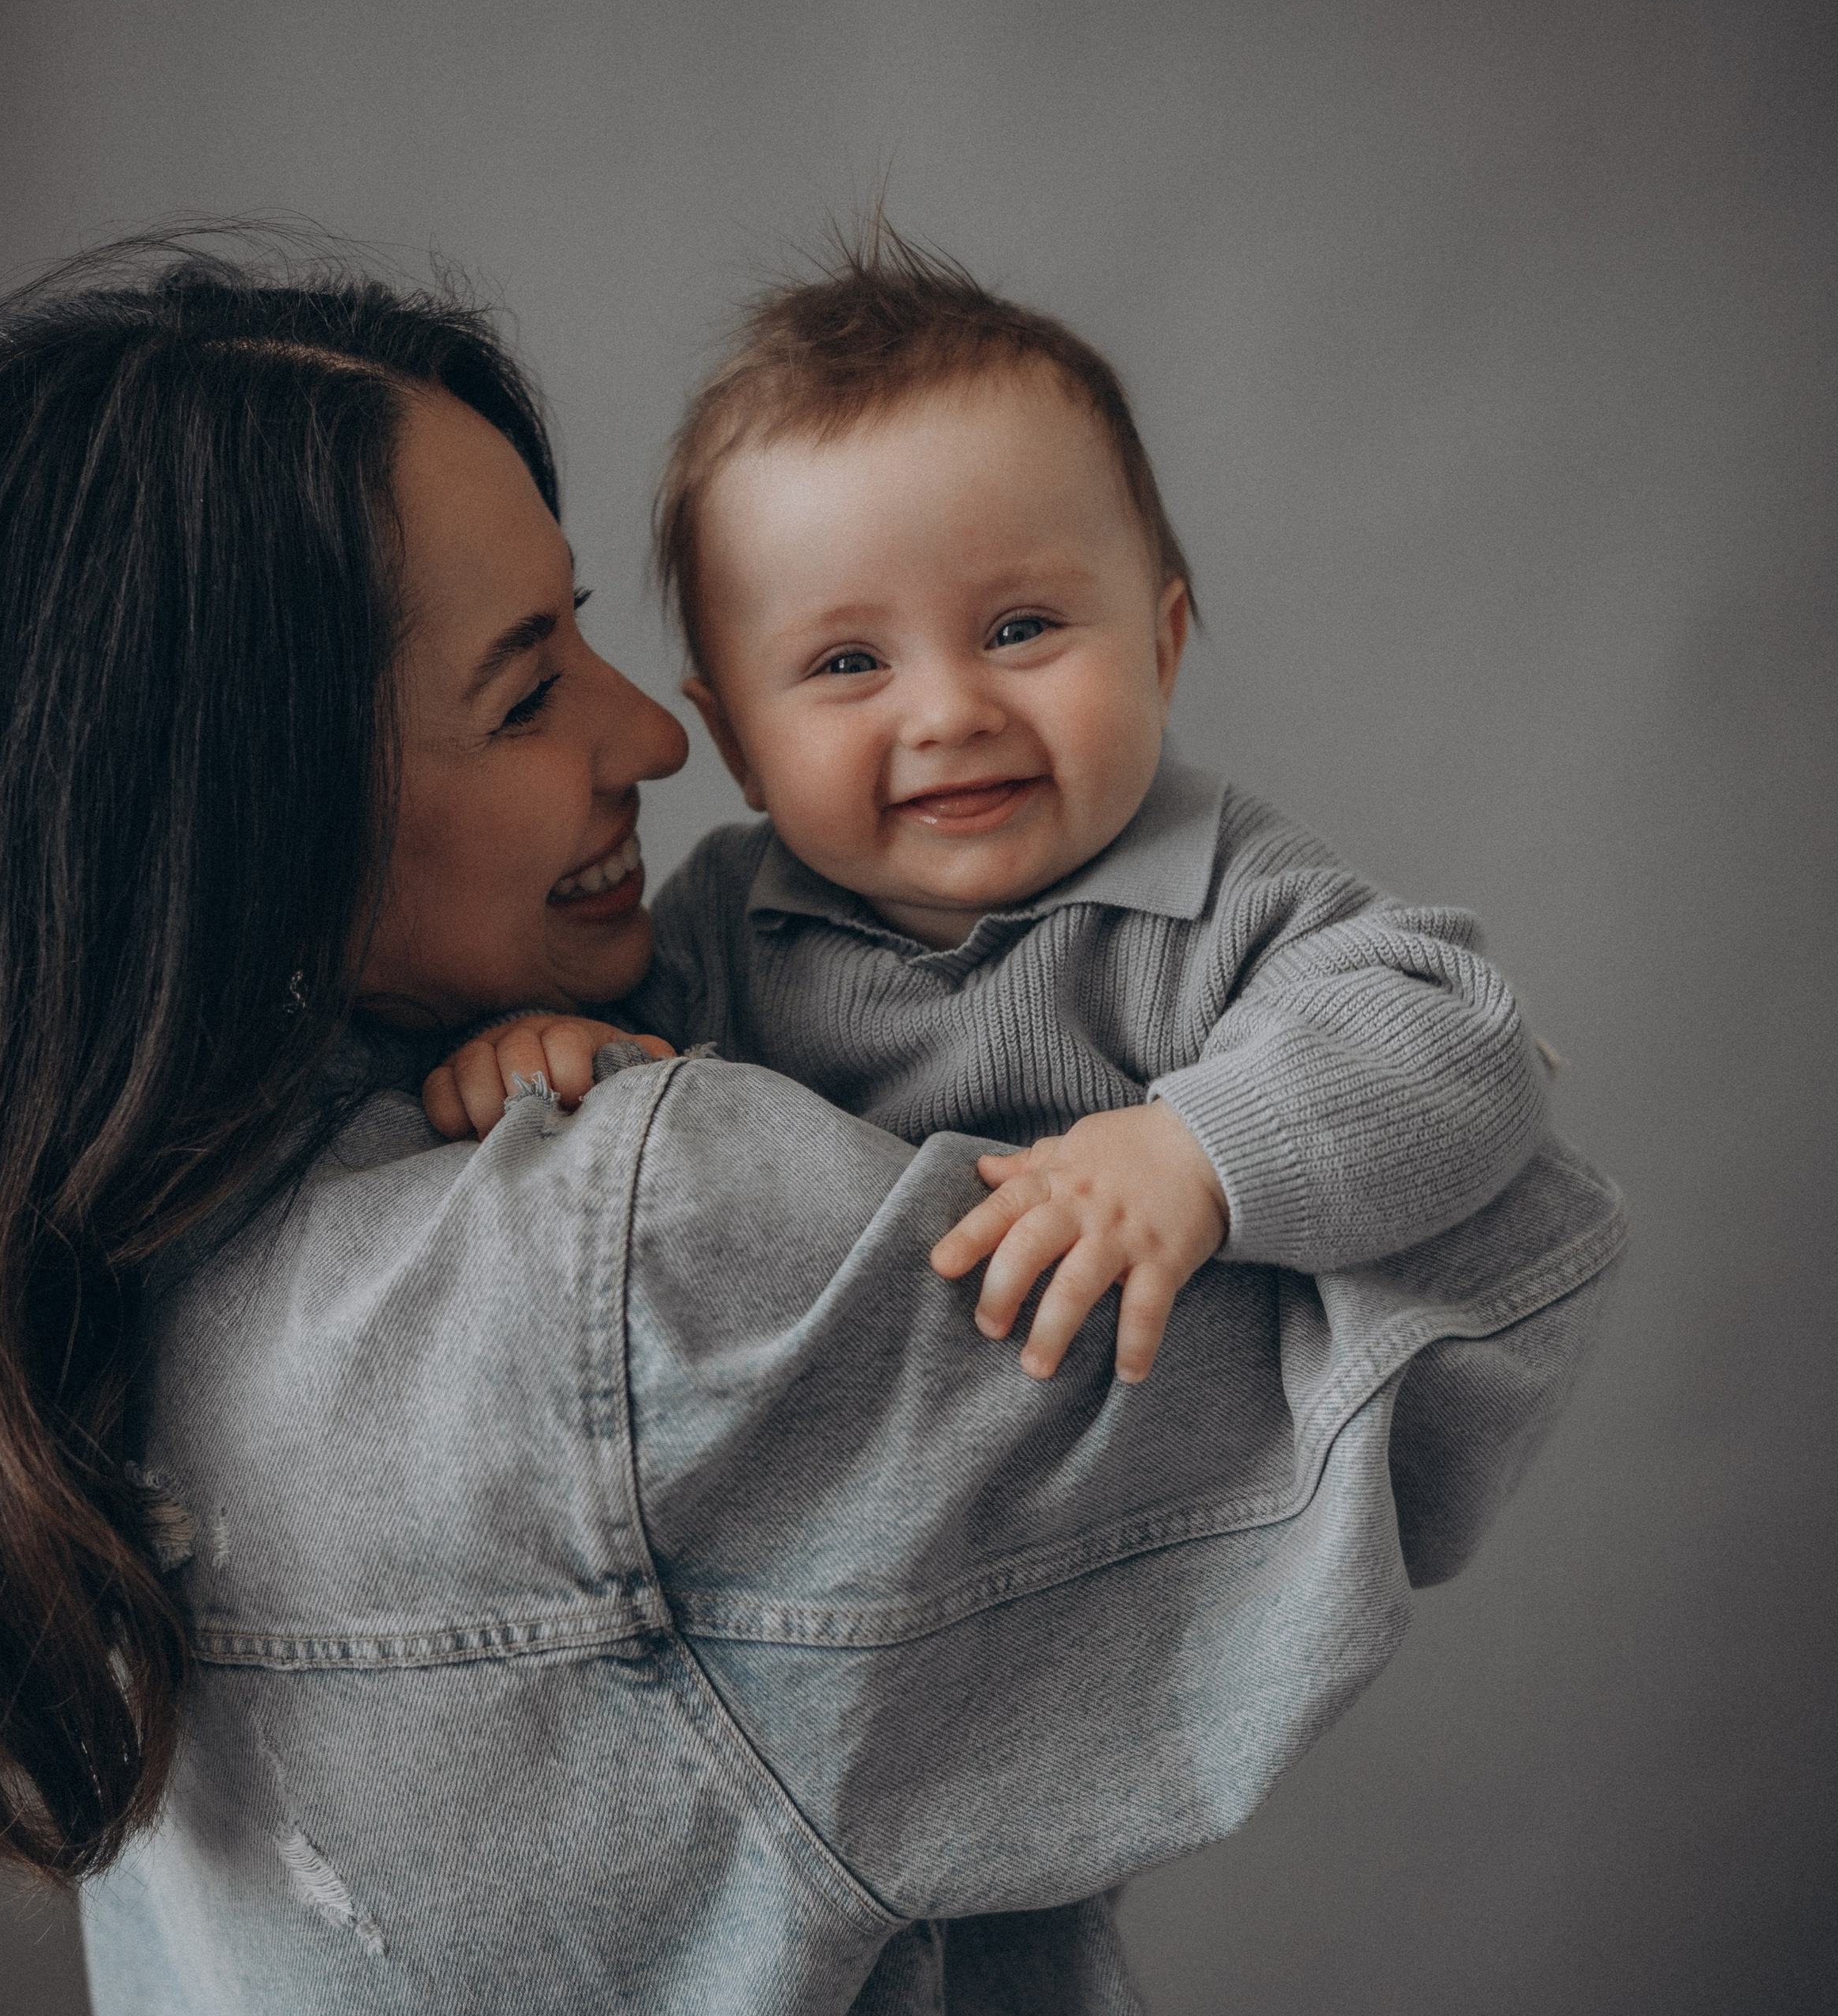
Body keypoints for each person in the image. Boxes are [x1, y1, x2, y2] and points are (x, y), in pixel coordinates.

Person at [0, 243, 1625, 2016]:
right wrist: (1214, 1161)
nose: (661, 735)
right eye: (529, 678)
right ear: (246, 818)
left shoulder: (84, 1305)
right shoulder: (646, 1269)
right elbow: (1488, 1272)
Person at [427, 228, 1551, 1391]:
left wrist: (1196, 1156)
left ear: (1161, 651)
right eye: (849, 663)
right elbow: (646, 1107)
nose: (951, 713)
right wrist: (562, 1054)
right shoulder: (726, 922)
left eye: (1021, 631)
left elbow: (1464, 1043)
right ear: (739, 747)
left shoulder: (1220, 890)